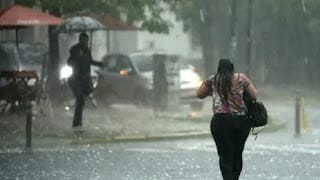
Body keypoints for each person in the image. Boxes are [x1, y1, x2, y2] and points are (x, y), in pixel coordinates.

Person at [196, 58, 257, 180]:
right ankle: (235, 177)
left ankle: (228, 178)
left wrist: (212, 92)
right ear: (232, 68)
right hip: (241, 121)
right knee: (237, 152)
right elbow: (254, 95)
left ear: (219, 68)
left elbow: (199, 94)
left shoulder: (213, 79)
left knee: (224, 154)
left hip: (221, 121)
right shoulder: (241, 78)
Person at [67, 32, 103, 129]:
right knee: (80, 100)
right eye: (84, 40)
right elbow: (69, 62)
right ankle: (76, 123)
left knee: (82, 101)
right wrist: (77, 58)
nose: (85, 42)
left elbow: (90, 61)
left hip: (84, 79)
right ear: (80, 40)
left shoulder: (87, 51)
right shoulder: (75, 50)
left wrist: (100, 64)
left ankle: (78, 122)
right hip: (76, 79)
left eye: (86, 41)